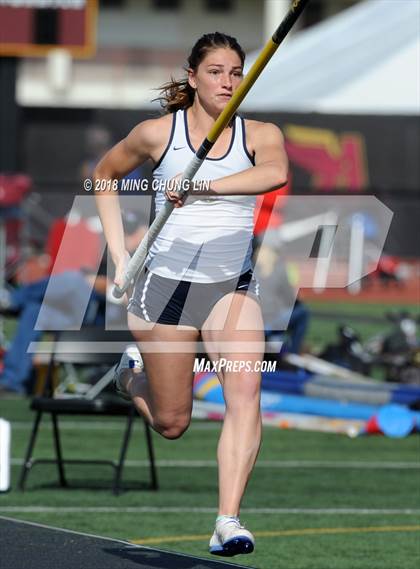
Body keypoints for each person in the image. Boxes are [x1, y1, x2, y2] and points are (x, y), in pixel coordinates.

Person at [94, 32, 288, 557]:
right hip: (165, 290)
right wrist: (120, 257)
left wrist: (203, 187)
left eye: (236, 72)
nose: (228, 81)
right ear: (193, 76)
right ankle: (129, 375)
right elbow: (104, 177)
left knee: (245, 393)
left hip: (232, 289)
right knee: (173, 422)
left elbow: (276, 173)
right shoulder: (158, 134)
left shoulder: (260, 134)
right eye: (217, 71)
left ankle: (227, 519)